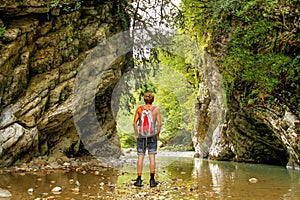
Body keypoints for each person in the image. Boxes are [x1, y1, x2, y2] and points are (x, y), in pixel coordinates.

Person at [133, 92, 161, 187]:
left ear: (144, 99)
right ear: (152, 100)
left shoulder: (139, 109)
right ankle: (152, 180)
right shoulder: (156, 109)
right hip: (152, 135)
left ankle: (139, 180)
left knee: (140, 157)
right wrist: (157, 134)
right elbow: (159, 124)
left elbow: (134, 123)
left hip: (141, 135)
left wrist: (137, 134)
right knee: (152, 157)